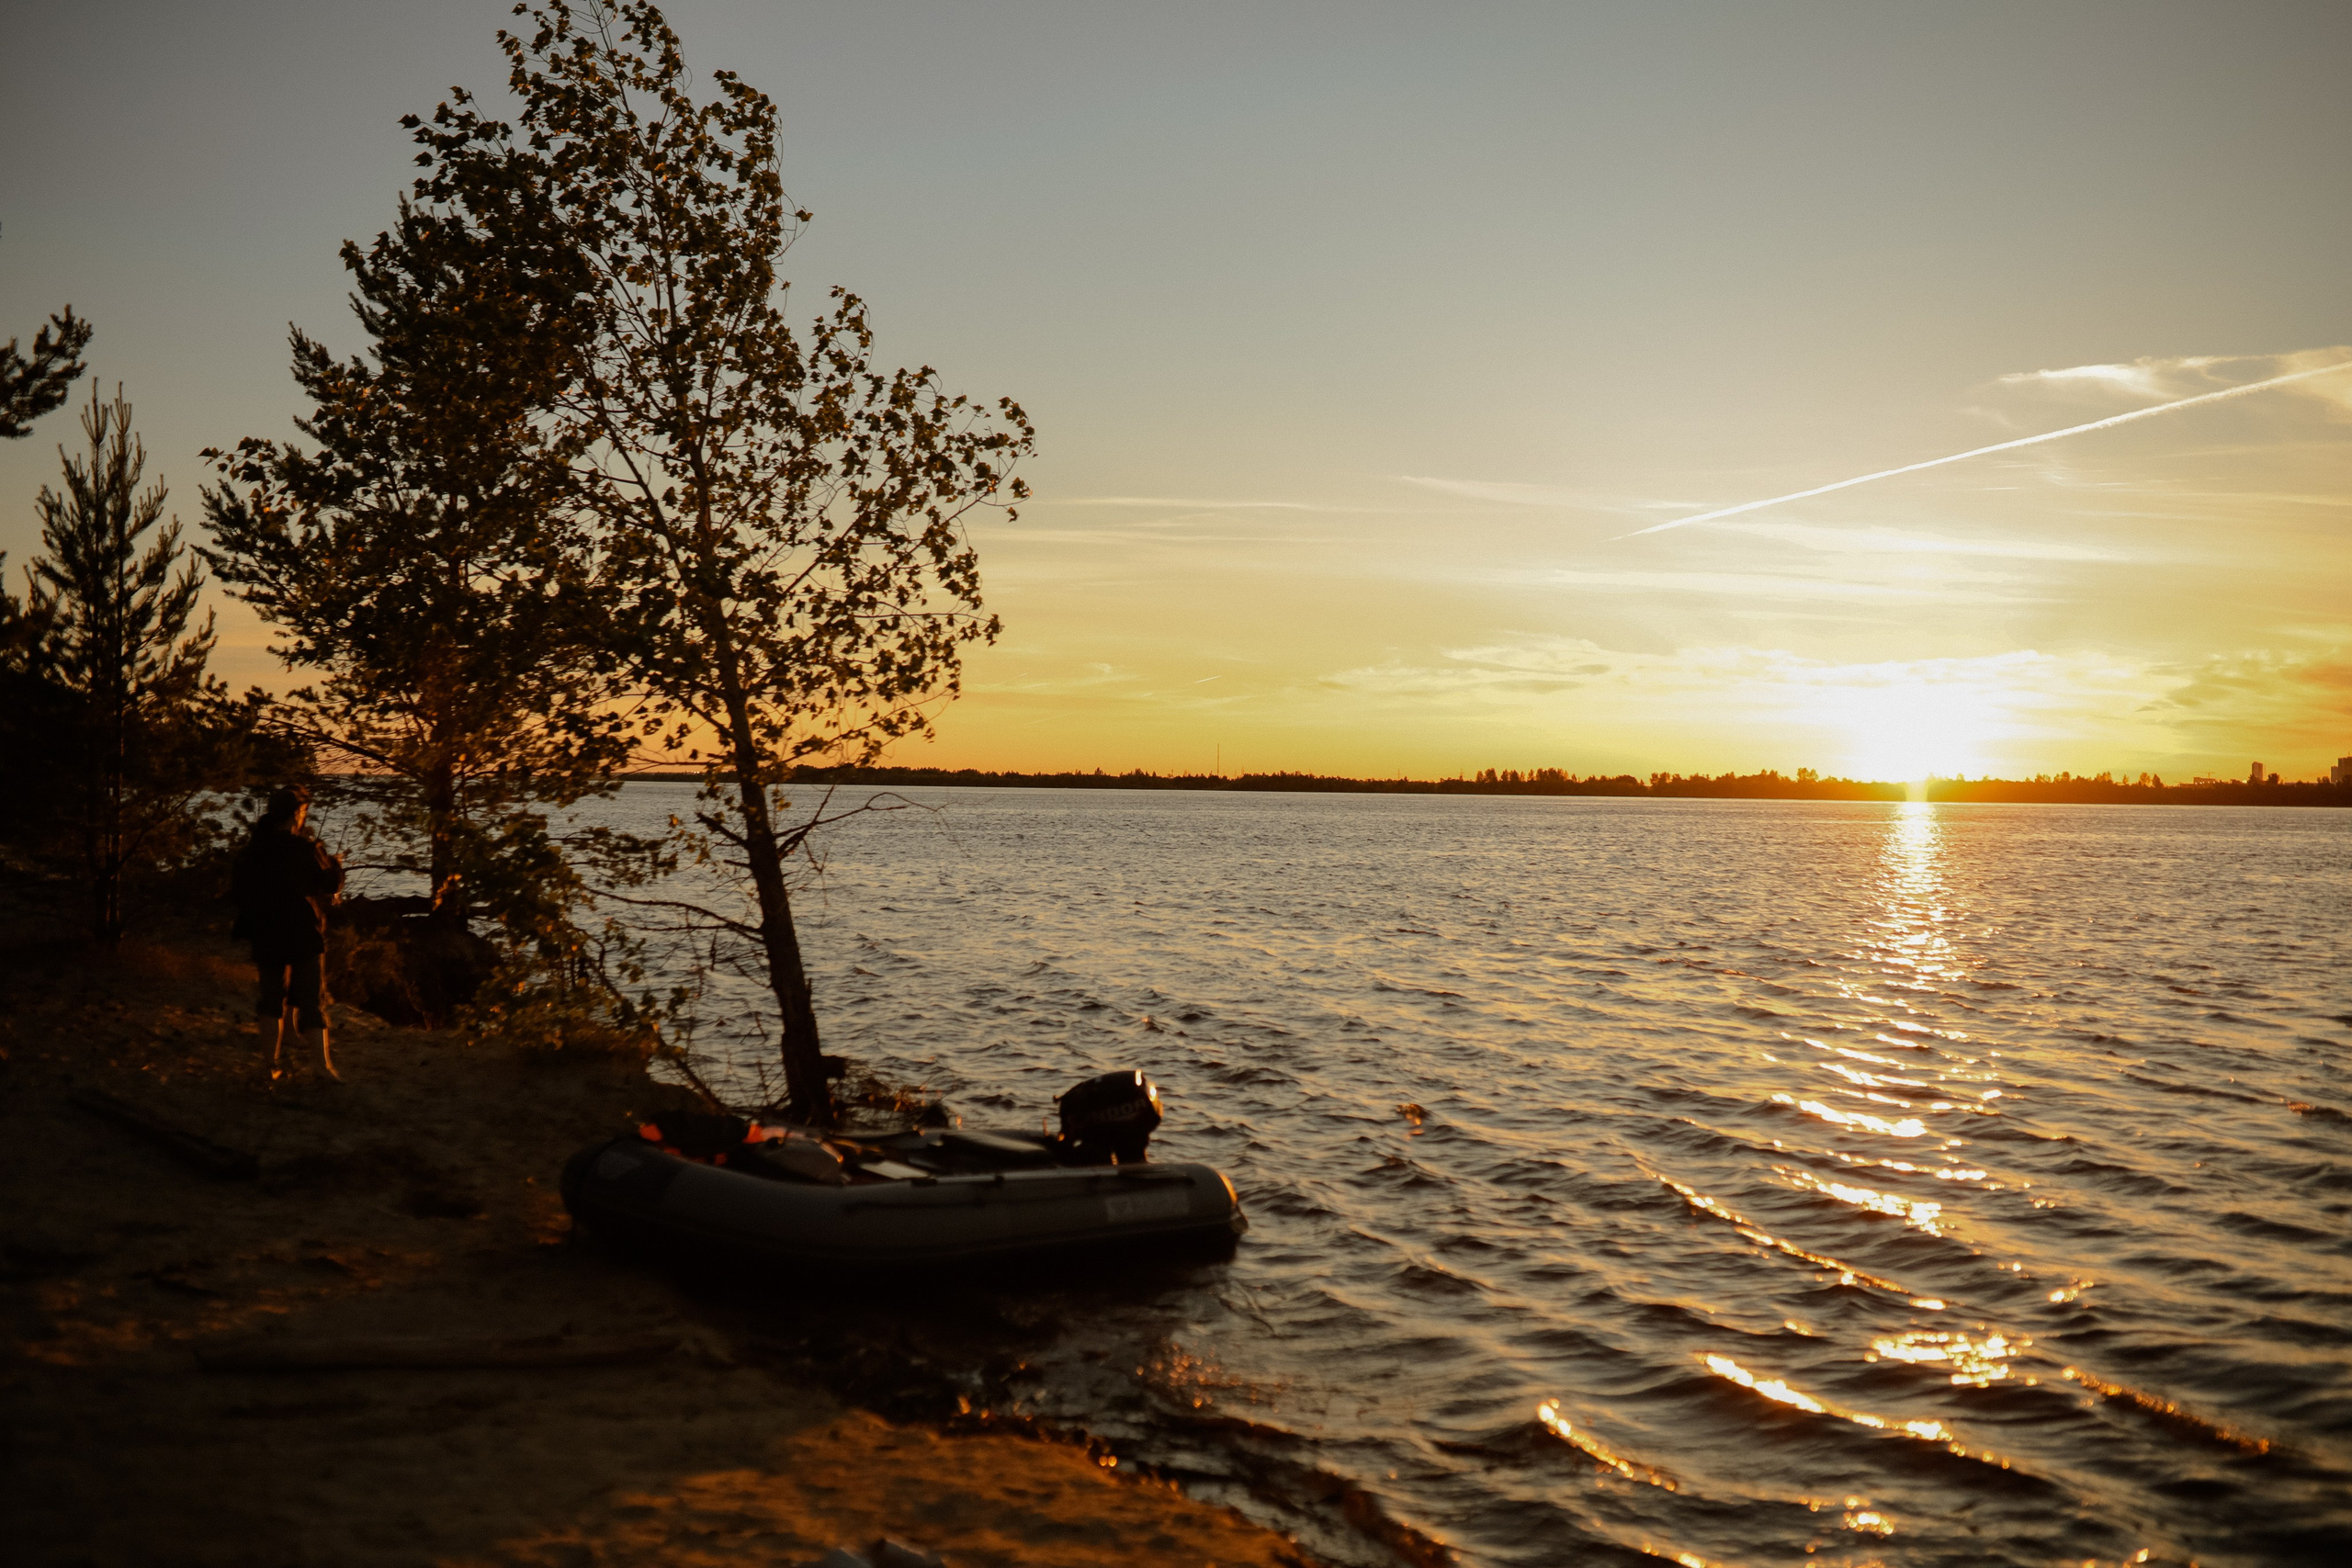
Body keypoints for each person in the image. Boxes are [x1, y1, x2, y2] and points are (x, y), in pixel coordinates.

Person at [232, 785, 345, 1080]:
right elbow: (330, 884)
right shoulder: (303, 849)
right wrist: (336, 866)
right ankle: (322, 1067)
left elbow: (240, 890)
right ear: (297, 813)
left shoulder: (255, 849)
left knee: (271, 999)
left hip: (266, 930)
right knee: (312, 1000)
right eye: (304, 811)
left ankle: (271, 1065)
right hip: (301, 931)